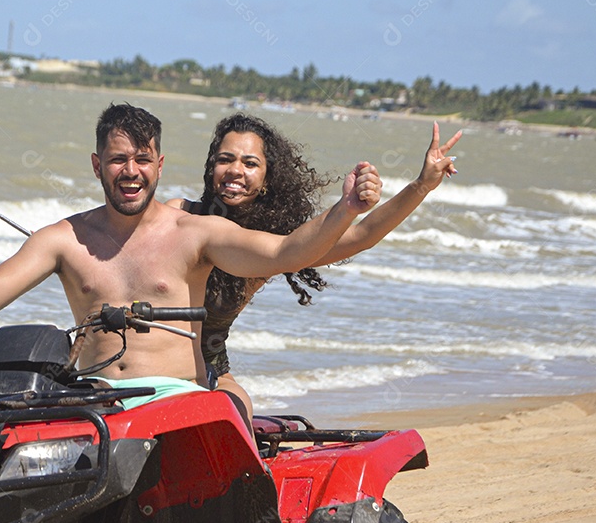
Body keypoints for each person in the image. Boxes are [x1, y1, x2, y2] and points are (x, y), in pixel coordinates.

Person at [0, 103, 381, 411]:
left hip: (177, 400)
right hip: (88, 400)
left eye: (142, 160)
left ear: (159, 165)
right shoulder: (62, 239)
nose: (131, 171)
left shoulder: (198, 233)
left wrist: (347, 207)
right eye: (119, 159)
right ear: (98, 165)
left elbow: (285, 250)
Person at [167, 113, 462, 419]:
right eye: (225, 159)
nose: (235, 171)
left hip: (212, 368)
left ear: (268, 179)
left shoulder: (277, 248)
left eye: (250, 163)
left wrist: (422, 185)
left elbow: (362, 235)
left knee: (237, 416)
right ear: (211, 166)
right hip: (155, 365)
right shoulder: (178, 216)